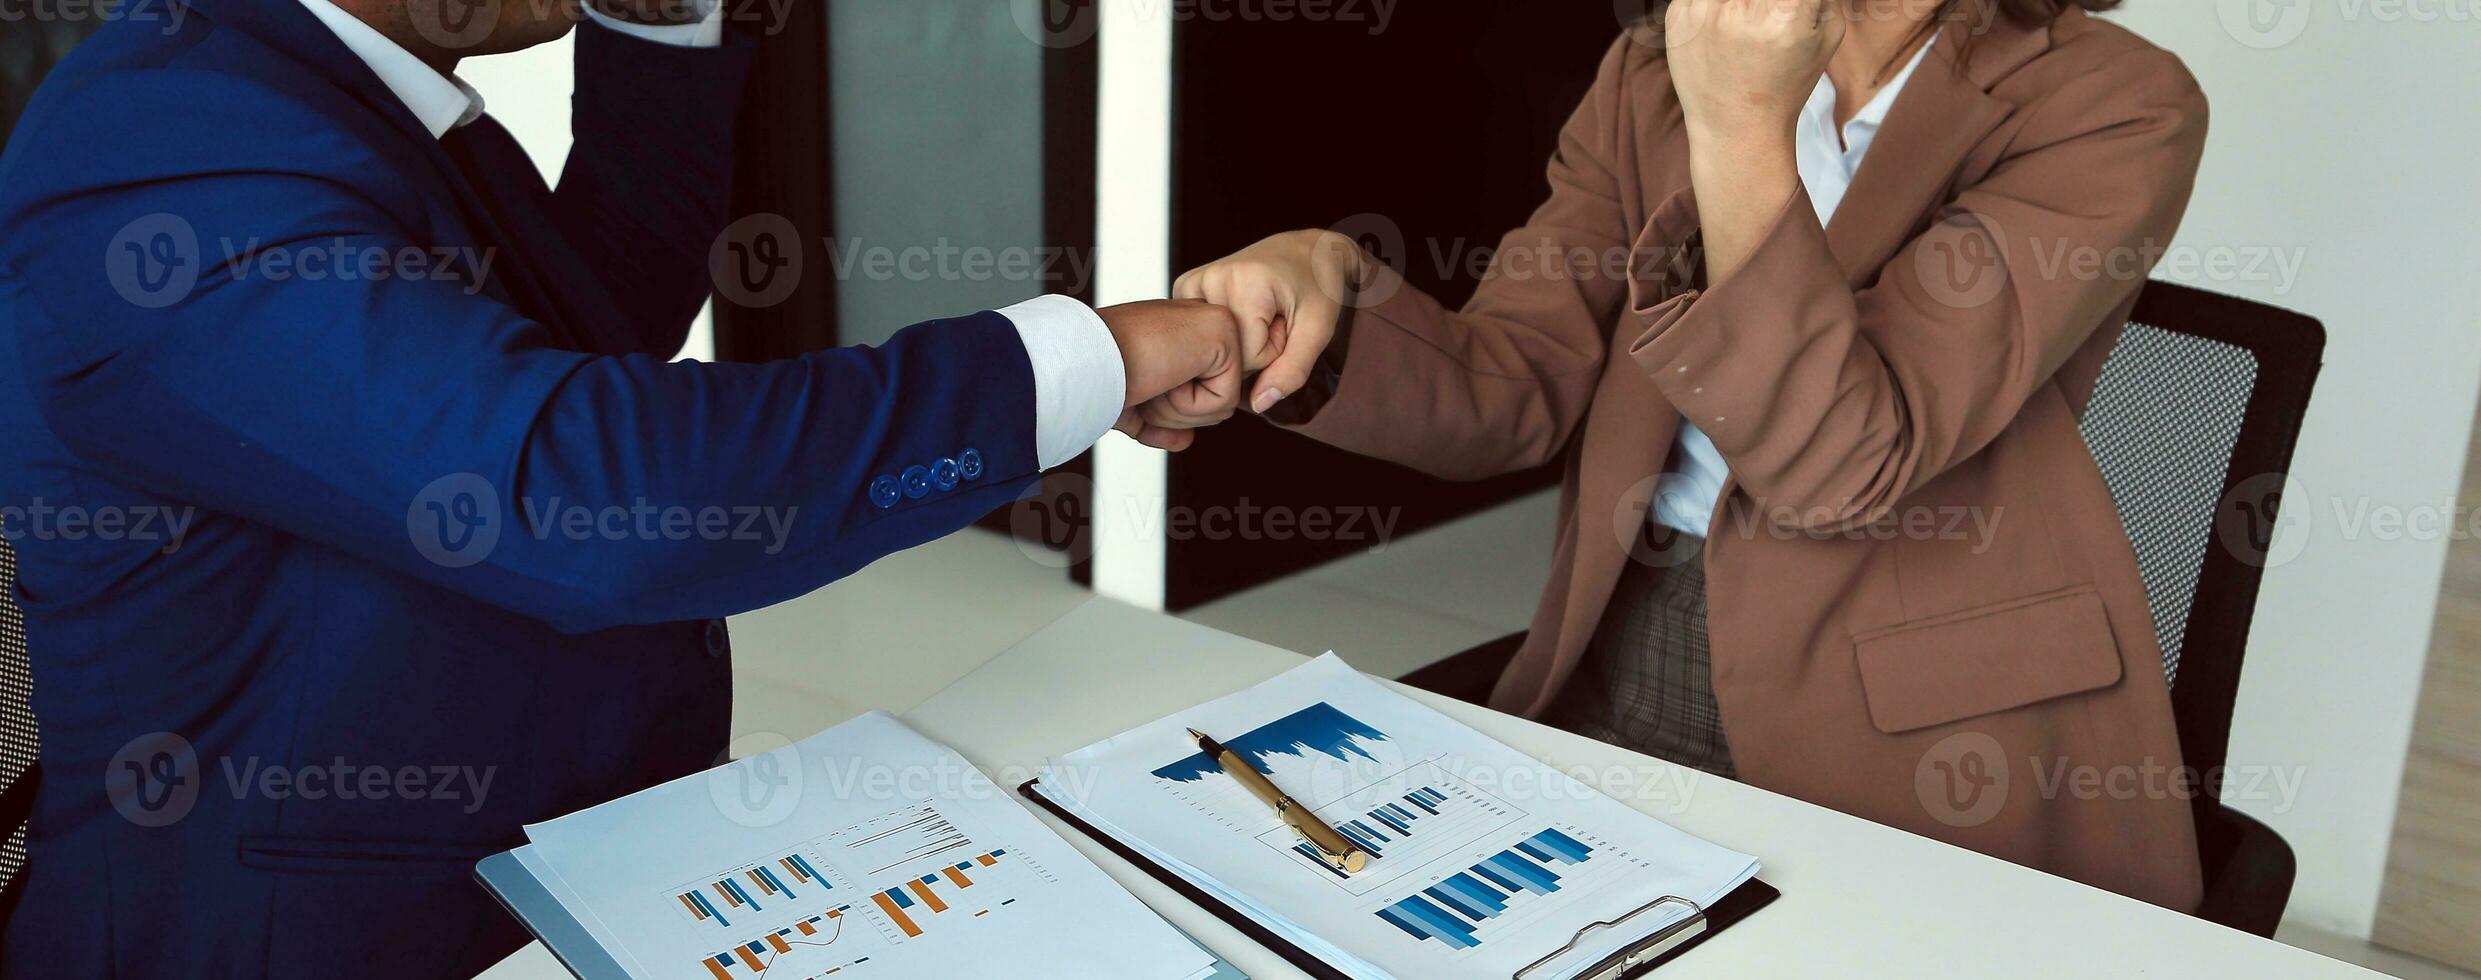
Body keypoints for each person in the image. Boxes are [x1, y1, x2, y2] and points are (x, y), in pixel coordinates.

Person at [0, 0, 1247, 973]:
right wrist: (1100, 355)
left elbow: (598, 317)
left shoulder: (336, 97)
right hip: (307, 930)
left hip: (551, 851)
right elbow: (602, 492)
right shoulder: (163, 154)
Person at [1177, 0, 2210, 910]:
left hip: (1920, 712)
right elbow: (1514, 386)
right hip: (1632, 629)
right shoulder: (1647, 69)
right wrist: (1325, 300)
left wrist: (1741, 126)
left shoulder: (2115, 99)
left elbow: (1843, 466)